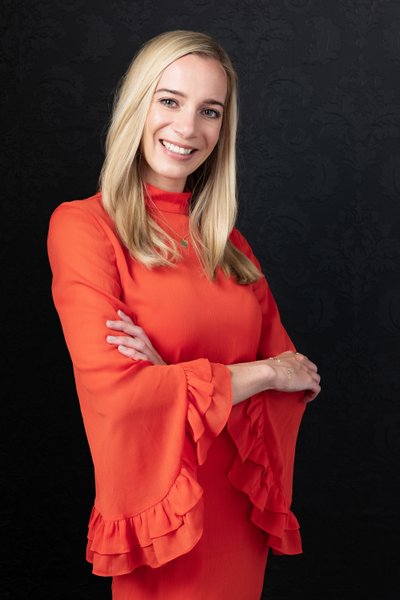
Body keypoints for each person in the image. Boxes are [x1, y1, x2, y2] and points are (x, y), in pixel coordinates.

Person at [47, 30, 321, 600]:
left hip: (235, 519)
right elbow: (119, 396)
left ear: (224, 129)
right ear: (138, 104)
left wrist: (172, 373)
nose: (187, 128)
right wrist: (258, 374)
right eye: (169, 100)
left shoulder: (231, 247)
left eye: (209, 111)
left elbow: (299, 379)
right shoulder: (84, 228)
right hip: (163, 517)